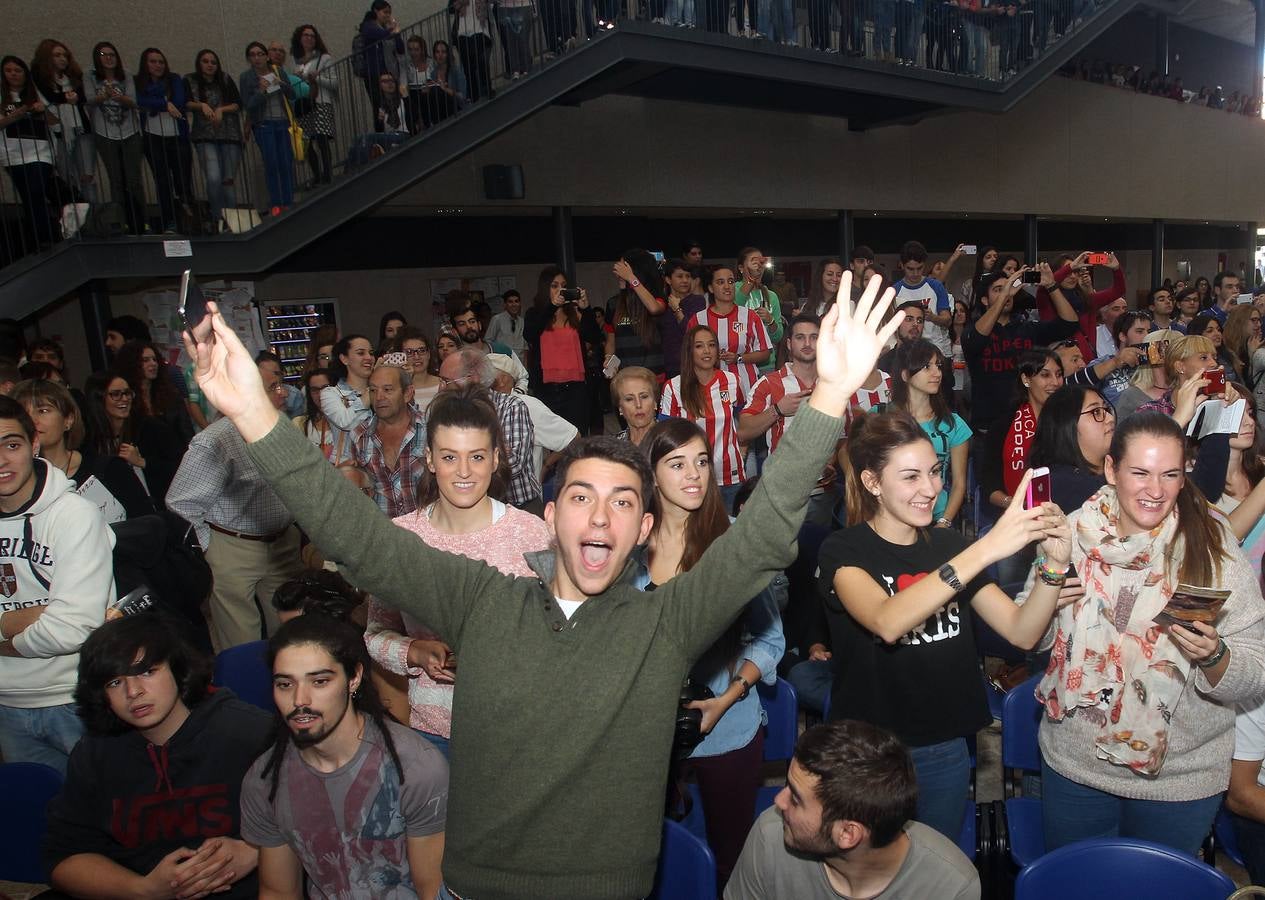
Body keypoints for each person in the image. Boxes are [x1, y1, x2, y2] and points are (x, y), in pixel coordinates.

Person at [183, 270, 903, 900]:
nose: (601, 514)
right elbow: (356, 537)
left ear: (643, 530)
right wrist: (254, 415)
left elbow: (764, 537)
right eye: (582, 497)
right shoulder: (483, 601)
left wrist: (831, 391)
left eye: (623, 502)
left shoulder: (666, 624)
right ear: (550, 517)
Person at [819, 410, 1068, 838]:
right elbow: (887, 620)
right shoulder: (843, 549)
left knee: (935, 864)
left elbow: (1021, 631)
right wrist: (986, 549)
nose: (932, 488)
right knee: (867, 870)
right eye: (911, 477)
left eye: (935, 472)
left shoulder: (950, 545)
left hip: (942, 747)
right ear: (872, 483)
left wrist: (1053, 566)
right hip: (867, 752)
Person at [1034, 411, 1265, 856]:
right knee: (1079, 888)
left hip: (1179, 780)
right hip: (1075, 765)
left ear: (1185, 475)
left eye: (1170, 475)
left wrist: (1216, 657)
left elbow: (1255, 668)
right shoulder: (1072, 534)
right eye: (1139, 473)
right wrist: (1047, 601)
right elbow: (1031, 640)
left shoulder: (1213, 547)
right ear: (1111, 469)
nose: (1155, 490)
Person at [366, 386, 552, 758]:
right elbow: (374, 634)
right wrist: (413, 651)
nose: (464, 472)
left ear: (497, 458)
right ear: (431, 459)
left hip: (516, 726)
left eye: (477, 457)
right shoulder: (401, 539)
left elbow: (559, 635)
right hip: (431, 731)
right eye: (450, 457)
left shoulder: (532, 534)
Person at [642, 418, 784, 886]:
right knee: (647, 859)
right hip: (645, 731)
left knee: (732, 862)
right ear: (651, 474)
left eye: (702, 461)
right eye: (676, 464)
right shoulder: (628, 549)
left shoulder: (733, 540)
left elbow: (770, 639)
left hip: (730, 724)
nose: (694, 475)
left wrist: (728, 697)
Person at [44, 614, 271, 899]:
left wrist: (257, 849)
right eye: (115, 682)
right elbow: (63, 857)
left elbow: (323, 819)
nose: (134, 692)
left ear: (177, 669)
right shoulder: (95, 754)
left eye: (147, 672)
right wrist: (142, 889)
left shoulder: (249, 734)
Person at [240, 614, 448, 899]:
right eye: (285, 684)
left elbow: (432, 889)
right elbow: (278, 891)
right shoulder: (266, 779)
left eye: (320, 681)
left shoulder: (417, 767)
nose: (300, 700)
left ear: (354, 679)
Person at [726, 720, 980, 900]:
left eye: (795, 799)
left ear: (848, 833)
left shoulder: (950, 886)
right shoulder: (769, 836)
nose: (778, 802)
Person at [0, 395, 116, 772]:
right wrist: (25, 619)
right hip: (6, 705)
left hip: (76, 697)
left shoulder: (74, 515)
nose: (1, 461)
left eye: (11, 445)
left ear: (34, 444)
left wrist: (2, 635)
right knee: (43, 824)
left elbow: (72, 629)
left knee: (107, 817)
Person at [165, 357, 304, 651]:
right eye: (271, 387)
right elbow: (180, 503)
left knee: (294, 637)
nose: (282, 393)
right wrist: (210, 548)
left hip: (283, 546)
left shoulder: (284, 428)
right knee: (242, 644)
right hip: (233, 547)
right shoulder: (216, 440)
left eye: (280, 384)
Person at [740, 315, 838, 525]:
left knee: (819, 555)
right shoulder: (769, 383)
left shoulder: (835, 384)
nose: (807, 343)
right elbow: (743, 431)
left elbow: (844, 437)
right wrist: (777, 410)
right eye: (800, 337)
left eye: (814, 337)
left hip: (824, 490)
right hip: (781, 492)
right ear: (789, 343)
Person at [438, 348, 540, 510]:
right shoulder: (446, 411)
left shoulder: (511, 407)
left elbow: (512, 464)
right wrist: (490, 452)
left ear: (473, 379)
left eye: (446, 381)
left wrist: (464, 462)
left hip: (517, 506)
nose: (441, 388)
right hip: (471, 510)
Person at [662, 323, 746, 511]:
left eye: (712, 345)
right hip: (692, 479)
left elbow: (744, 423)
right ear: (689, 351)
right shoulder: (673, 388)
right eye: (699, 346)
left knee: (732, 534)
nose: (707, 351)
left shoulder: (731, 380)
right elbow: (665, 438)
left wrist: (744, 451)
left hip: (730, 476)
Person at [888, 339, 972, 526]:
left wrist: (944, 522)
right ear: (905, 375)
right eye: (927, 366)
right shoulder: (882, 418)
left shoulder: (953, 424)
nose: (937, 373)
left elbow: (959, 484)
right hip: (892, 518)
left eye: (938, 366)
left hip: (936, 517)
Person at [82, 371, 182, 509]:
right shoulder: (89, 440)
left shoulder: (152, 428)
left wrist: (143, 462)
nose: (124, 399)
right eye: (116, 394)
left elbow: (180, 468)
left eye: (127, 393)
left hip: (160, 511)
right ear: (99, 399)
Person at [524, 266, 605, 434]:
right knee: (554, 442)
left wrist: (586, 308)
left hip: (576, 388)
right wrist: (552, 307)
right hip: (547, 388)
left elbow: (595, 337)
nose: (560, 290)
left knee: (577, 437)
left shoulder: (575, 313)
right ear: (545, 288)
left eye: (563, 285)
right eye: (554, 285)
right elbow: (530, 334)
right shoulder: (535, 313)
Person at [350, 357, 426, 518]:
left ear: (407, 394)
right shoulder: (359, 435)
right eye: (373, 390)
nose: (379, 397)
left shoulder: (431, 428)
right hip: (382, 536)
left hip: (428, 533)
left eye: (388, 389)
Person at [84, 42, 145, 234]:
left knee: (134, 180)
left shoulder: (125, 75)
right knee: (116, 180)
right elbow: (88, 101)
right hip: (105, 134)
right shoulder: (90, 77)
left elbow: (134, 101)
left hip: (130, 132)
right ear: (97, 57)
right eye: (103, 54)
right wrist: (103, 96)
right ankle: (121, 222)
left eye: (112, 54)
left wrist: (117, 96)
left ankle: (141, 221)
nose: (108, 57)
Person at [1, 55, 61, 247]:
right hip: (13, 155)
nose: (13, 74)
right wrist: (15, 116)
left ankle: (48, 235)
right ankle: (39, 238)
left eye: (18, 71)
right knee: (28, 196)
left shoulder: (35, 93)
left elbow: (55, 123)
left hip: (39, 151)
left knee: (36, 189)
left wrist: (42, 110)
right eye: (9, 71)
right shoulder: (2, 96)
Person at [30, 39, 97, 205]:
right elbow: (49, 99)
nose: (62, 59)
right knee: (65, 175)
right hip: (58, 132)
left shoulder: (74, 77)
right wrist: (66, 98)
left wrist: (72, 98)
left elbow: (83, 97)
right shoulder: (39, 79)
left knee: (87, 175)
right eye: (57, 55)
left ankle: (94, 219)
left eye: (65, 55)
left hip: (81, 130)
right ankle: (72, 220)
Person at [135, 48, 192, 234]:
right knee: (162, 181)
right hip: (153, 138)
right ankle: (169, 221)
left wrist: (159, 103)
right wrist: (164, 104)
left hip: (176, 137)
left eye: (161, 62)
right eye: (153, 61)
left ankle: (188, 217)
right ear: (145, 64)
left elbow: (180, 101)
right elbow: (139, 100)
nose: (158, 65)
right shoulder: (139, 82)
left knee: (182, 180)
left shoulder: (174, 79)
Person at [185, 49, 243, 232]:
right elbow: (184, 102)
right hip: (204, 135)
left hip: (230, 134)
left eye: (213, 62)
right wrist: (201, 105)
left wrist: (221, 110)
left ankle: (233, 222)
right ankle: (217, 217)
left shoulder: (225, 79)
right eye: (205, 61)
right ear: (199, 63)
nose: (210, 65)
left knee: (228, 180)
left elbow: (237, 103)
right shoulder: (190, 80)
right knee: (213, 177)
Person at [238, 41, 295, 212]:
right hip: (263, 124)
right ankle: (276, 203)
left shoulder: (278, 71)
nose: (257, 58)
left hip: (283, 122)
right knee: (271, 164)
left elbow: (292, 94)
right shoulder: (246, 77)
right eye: (252, 55)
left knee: (285, 162)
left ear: (266, 55)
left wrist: (281, 84)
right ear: (249, 58)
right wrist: (261, 91)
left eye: (260, 54)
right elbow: (248, 105)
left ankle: (288, 202)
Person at [114, 340, 196, 446]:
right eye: (145, 360)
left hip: (175, 456)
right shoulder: (125, 399)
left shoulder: (171, 395)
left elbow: (187, 433)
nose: (153, 364)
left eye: (154, 359)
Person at [290, 24, 337, 187]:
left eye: (312, 35)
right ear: (299, 38)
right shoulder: (296, 61)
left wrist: (316, 78)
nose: (309, 38)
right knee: (308, 141)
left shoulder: (324, 58)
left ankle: (327, 176)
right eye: (305, 35)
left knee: (322, 138)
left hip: (321, 102)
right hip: (304, 105)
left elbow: (335, 83)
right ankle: (317, 176)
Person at [608, 249, 667, 374]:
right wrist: (608, 359)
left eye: (624, 268)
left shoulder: (656, 298)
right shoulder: (613, 303)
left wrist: (630, 278)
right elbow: (611, 340)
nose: (618, 273)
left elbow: (654, 308)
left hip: (653, 375)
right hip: (626, 377)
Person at [319, 334, 375, 464]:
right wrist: (370, 393)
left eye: (371, 353)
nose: (369, 358)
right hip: (348, 467)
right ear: (344, 359)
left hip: (380, 467)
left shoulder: (381, 389)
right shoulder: (331, 393)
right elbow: (345, 422)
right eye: (361, 353)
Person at [892, 241, 953, 358]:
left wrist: (933, 318)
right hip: (907, 354)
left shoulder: (936, 286)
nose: (915, 273)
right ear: (902, 265)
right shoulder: (895, 291)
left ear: (924, 265)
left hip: (936, 351)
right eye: (910, 269)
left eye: (919, 268)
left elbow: (948, 320)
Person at [658, 258, 708, 380]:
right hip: (667, 367)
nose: (685, 280)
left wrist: (676, 309)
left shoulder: (697, 301)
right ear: (668, 279)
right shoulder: (661, 304)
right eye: (680, 276)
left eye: (688, 276)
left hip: (692, 365)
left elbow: (692, 332)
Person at [734, 248, 782, 375]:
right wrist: (750, 279)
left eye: (760, 263)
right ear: (741, 268)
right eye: (753, 261)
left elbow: (778, 337)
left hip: (767, 365)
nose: (758, 266)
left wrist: (770, 321)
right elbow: (732, 309)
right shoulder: (733, 289)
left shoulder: (771, 296)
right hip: (739, 363)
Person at [358, 0, 406, 109]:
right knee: (380, 108)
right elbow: (381, 35)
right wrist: (392, 30)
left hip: (391, 73)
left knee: (396, 106)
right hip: (375, 75)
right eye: (385, 12)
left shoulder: (386, 29)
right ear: (376, 12)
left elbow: (400, 49)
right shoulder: (368, 26)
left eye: (389, 12)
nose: (388, 15)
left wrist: (396, 34)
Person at [451, 0, 494, 103]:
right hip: (463, 31)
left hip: (480, 29)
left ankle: (486, 88)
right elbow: (452, 7)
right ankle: (473, 94)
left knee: (480, 59)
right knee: (467, 65)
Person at [396, 327, 443, 412]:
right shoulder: (397, 389)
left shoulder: (443, 384)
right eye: (409, 352)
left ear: (429, 354)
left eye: (422, 350)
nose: (417, 357)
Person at [610, 365, 658, 446]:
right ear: (620, 408)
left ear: (655, 403)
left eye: (644, 397)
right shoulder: (613, 447)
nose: (638, 405)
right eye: (629, 399)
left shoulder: (673, 441)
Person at [1223, 303, 1261, 386]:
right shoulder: (1226, 349)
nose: (1258, 325)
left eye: (1259, 320)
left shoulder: (1256, 345)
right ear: (1240, 321)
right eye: (1253, 320)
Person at [486, 289, 528, 357]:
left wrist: (525, 365)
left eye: (516, 301)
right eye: (510, 302)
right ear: (505, 304)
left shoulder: (522, 321)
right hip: (503, 360)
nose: (514, 304)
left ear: (520, 304)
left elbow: (525, 346)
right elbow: (488, 341)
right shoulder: (497, 319)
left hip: (519, 360)